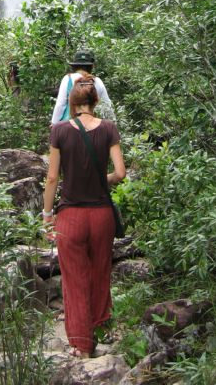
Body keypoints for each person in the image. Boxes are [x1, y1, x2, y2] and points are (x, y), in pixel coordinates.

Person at [42, 76, 126, 358]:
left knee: (74, 280)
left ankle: (81, 344)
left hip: (71, 217)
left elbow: (52, 177)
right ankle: (101, 329)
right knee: (101, 273)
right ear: (96, 102)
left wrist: (46, 214)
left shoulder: (59, 131)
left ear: (71, 103)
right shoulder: (110, 129)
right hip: (102, 216)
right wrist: (103, 179)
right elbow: (121, 173)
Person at [51, 49, 115, 124]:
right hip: (92, 125)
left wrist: (54, 123)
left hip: (70, 124)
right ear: (91, 67)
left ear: (74, 66)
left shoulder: (67, 79)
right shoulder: (97, 81)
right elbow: (107, 105)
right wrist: (112, 122)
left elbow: (60, 105)